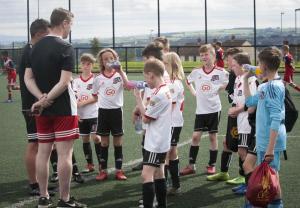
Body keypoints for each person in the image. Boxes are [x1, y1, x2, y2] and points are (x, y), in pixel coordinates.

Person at [24, 8, 86, 208]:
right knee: (64, 154)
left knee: (44, 152)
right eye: (71, 25)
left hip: (42, 109)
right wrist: (46, 99)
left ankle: (43, 198)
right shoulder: (65, 46)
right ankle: (65, 200)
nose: (70, 29)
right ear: (65, 23)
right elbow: (64, 82)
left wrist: (40, 98)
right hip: (63, 107)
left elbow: (28, 78)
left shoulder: (34, 47)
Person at [244, 47, 286, 208]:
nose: (257, 66)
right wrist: (246, 78)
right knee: (270, 176)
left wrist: (270, 148)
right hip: (263, 139)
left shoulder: (273, 87)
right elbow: (250, 103)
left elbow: (276, 119)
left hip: (270, 141)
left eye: (259, 63)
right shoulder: (265, 86)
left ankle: (274, 204)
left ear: (265, 66)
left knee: (271, 177)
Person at [180, 44, 228, 176]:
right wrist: (194, 92)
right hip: (200, 110)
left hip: (214, 109)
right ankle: (191, 165)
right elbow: (188, 81)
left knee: (213, 137)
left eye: (206, 54)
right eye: (201, 55)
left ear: (213, 56)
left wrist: (220, 88)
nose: (203, 57)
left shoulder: (220, 72)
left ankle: (211, 165)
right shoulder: (196, 72)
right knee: (195, 137)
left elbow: (228, 81)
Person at [134, 58, 172, 208]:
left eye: (145, 77)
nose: (146, 81)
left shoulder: (159, 94)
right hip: (161, 139)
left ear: (151, 75)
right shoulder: (164, 89)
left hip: (156, 142)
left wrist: (138, 99)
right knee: (159, 173)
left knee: (146, 175)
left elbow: (146, 118)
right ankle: (162, 205)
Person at [18, 18, 50, 196]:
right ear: (38, 34)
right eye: (47, 35)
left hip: (34, 104)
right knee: (34, 144)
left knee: (40, 144)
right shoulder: (31, 51)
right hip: (33, 105)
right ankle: (34, 184)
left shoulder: (31, 49)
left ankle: (38, 181)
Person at [91, 48, 130, 181]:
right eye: (105, 59)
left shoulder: (119, 75)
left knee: (118, 142)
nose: (108, 61)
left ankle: (119, 170)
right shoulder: (98, 78)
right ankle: (103, 171)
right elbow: (95, 95)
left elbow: (128, 86)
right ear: (101, 62)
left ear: (116, 59)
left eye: (111, 58)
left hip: (116, 112)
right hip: (103, 113)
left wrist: (121, 71)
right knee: (104, 143)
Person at [206, 48, 243, 182]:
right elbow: (228, 88)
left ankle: (243, 176)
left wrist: (238, 109)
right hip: (234, 112)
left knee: (242, 146)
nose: (227, 62)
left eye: (229, 59)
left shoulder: (245, 78)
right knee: (227, 143)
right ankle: (224, 173)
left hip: (242, 115)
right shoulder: (232, 75)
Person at [226, 52, 258, 194]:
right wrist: (234, 107)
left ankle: (251, 184)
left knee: (244, 153)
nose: (232, 68)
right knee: (242, 152)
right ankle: (247, 183)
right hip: (240, 121)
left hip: (247, 122)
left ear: (243, 67)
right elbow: (239, 99)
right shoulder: (239, 78)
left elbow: (252, 105)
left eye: (234, 65)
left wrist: (238, 110)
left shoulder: (251, 81)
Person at [73, 53, 102, 173]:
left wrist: (82, 103)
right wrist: (76, 111)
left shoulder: (96, 79)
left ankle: (101, 164)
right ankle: (90, 164)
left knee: (96, 138)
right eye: (83, 64)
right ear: (80, 65)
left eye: (88, 64)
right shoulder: (75, 81)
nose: (86, 66)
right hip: (81, 115)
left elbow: (97, 98)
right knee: (85, 139)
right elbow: (74, 98)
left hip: (94, 114)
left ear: (92, 65)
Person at [163, 52, 185, 196]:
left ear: (172, 65)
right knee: (171, 152)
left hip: (171, 122)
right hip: (172, 122)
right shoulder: (169, 81)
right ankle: (174, 185)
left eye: (165, 63)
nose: (163, 66)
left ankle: (163, 185)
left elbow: (169, 106)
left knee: (165, 153)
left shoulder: (174, 83)